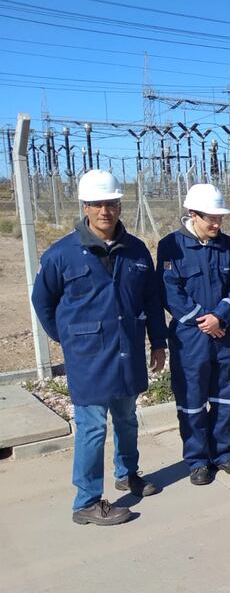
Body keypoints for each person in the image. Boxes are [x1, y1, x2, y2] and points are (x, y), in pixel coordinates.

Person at [32, 169, 167, 525]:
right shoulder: (62, 254)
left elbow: (151, 299)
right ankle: (86, 502)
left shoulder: (136, 250)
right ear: (85, 207)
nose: (105, 210)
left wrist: (158, 342)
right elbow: (43, 302)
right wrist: (69, 338)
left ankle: (127, 473)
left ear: (120, 205)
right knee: (92, 427)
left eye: (111, 203)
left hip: (127, 351)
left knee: (126, 418)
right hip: (88, 358)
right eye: (97, 204)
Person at [157, 183, 230, 486]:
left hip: (226, 334)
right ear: (192, 214)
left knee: (226, 399)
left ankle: (222, 453)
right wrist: (203, 320)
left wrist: (219, 316)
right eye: (210, 218)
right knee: (192, 402)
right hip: (190, 338)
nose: (216, 224)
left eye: (219, 218)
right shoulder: (171, 246)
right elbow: (171, 292)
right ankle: (198, 460)